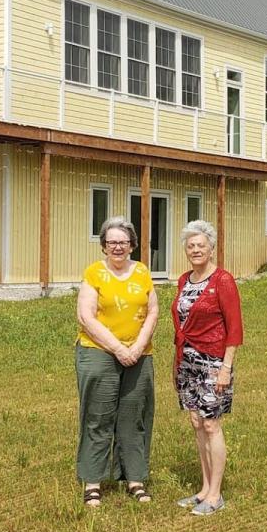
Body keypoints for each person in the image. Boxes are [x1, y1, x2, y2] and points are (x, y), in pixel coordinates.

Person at [75, 216, 159, 507]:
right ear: (103, 246)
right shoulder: (94, 273)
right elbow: (86, 317)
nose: (118, 247)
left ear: (132, 245)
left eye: (123, 242)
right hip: (99, 352)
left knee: (134, 417)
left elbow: (152, 312)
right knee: (98, 417)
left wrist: (136, 347)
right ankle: (93, 481)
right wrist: (118, 349)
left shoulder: (143, 272)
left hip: (139, 353)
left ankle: (135, 479)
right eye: (111, 242)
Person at [171, 219, 243, 516]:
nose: (196, 250)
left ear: (211, 249)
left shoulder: (222, 280)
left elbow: (235, 328)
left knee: (212, 424)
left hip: (213, 361)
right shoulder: (184, 280)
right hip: (187, 362)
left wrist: (226, 368)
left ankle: (216, 495)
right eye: (191, 246)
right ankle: (203, 488)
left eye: (201, 245)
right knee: (196, 423)